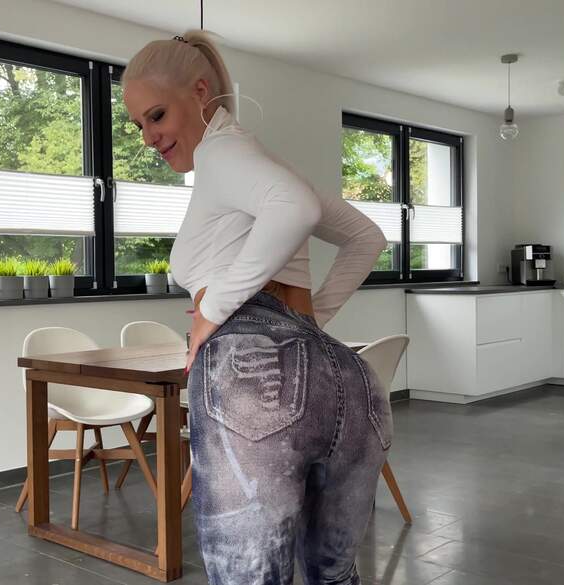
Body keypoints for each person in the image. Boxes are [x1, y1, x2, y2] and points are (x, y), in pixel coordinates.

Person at [123, 29, 390, 585]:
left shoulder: (221, 153)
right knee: (334, 577)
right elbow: (366, 238)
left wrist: (213, 310)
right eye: (139, 125)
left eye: (157, 115)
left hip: (249, 378)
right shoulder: (259, 162)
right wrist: (310, 325)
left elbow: (294, 208)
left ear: (200, 92)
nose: (149, 137)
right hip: (349, 376)